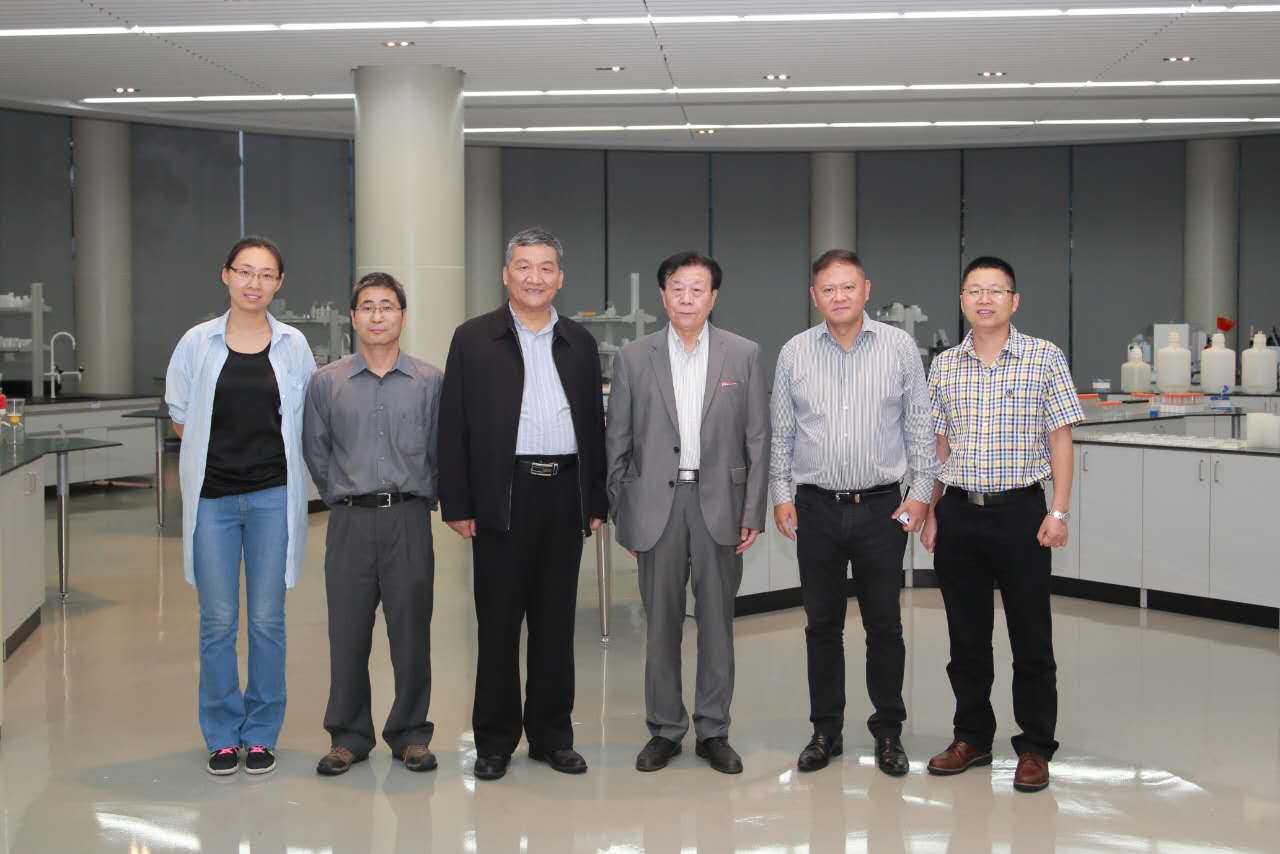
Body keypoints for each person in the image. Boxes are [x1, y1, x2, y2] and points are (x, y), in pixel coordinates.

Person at [438, 227, 608, 782]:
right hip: (501, 493)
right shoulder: (472, 339)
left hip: (564, 492)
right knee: (498, 623)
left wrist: (595, 496)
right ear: (505, 274)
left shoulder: (580, 342)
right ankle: (494, 741)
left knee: (556, 624)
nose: (535, 277)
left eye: (546, 267)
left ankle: (552, 737)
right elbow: (453, 425)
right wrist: (457, 501)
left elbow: (595, 426)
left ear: (560, 277)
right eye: (524, 266)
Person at [770, 249, 938, 776]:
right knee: (821, 626)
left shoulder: (898, 347)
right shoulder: (794, 352)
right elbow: (782, 433)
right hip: (816, 509)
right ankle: (826, 731)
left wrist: (921, 493)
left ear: (867, 290)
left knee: (884, 626)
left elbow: (919, 426)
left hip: (882, 509)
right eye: (828, 289)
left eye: (848, 286)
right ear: (814, 296)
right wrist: (781, 495)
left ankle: (888, 732)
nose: (838, 296)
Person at [922, 255, 1083, 793]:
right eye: (974, 290)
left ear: (1014, 301)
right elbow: (939, 444)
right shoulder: (945, 365)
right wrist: (931, 509)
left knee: (1031, 637)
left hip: (1021, 514)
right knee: (966, 638)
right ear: (962, 300)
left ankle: (1035, 747)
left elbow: (1061, 437)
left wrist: (1058, 510)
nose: (984, 299)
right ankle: (972, 738)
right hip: (960, 513)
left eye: (995, 290)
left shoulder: (1044, 357)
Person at [606, 250, 768, 775]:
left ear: (713, 297)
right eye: (677, 288)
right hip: (657, 506)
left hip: (720, 503)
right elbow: (617, 443)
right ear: (663, 295)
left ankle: (713, 730)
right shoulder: (634, 357)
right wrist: (626, 512)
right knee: (661, 626)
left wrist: (753, 510)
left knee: (718, 624)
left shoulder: (743, 354)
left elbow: (758, 438)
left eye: (698, 289)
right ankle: (665, 729)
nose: (687, 298)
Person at [164, 236, 316, 776]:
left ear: (279, 284)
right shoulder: (196, 342)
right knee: (218, 620)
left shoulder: (293, 344)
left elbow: (305, 415)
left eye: (266, 274)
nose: (255, 283)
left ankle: (262, 732)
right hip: (213, 501)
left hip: (273, 496)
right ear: (225, 274)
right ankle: (222, 733)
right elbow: (181, 420)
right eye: (245, 271)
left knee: (268, 620)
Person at [303, 272, 444, 777]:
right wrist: (345, 494)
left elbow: (440, 449)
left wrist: (422, 497)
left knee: (411, 633)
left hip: (408, 518)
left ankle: (411, 734)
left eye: (387, 306)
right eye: (367, 306)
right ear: (353, 316)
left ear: (402, 316)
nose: (377, 315)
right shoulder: (328, 382)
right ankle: (348, 736)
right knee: (347, 633)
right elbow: (316, 451)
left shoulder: (430, 381)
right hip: (350, 522)